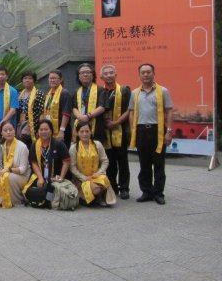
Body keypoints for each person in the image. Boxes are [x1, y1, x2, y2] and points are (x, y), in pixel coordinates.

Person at [129, 63, 173, 205]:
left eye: (148, 72)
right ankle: (146, 192)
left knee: (159, 164)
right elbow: (131, 112)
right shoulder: (135, 93)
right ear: (139, 75)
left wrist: (169, 131)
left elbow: (169, 111)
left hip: (157, 131)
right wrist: (133, 131)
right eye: (143, 72)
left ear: (154, 74)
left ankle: (158, 193)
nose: (146, 74)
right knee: (144, 164)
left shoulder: (163, 91)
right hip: (141, 131)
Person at [100, 64, 131, 199]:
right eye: (106, 73)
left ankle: (124, 188)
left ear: (115, 74)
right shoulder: (100, 92)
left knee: (123, 161)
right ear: (101, 77)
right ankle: (112, 186)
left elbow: (129, 110)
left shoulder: (124, 90)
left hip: (121, 130)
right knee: (109, 161)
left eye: (111, 72)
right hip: (105, 132)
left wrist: (116, 123)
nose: (109, 75)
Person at [69, 121, 116, 207]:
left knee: (104, 181)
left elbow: (105, 161)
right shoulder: (74, 148)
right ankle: (92, 197)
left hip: (96, 176)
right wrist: (84, 177)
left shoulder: (97, 145)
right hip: (81, 179)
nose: (85, 134)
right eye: (82, 131)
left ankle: (97, 197)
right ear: (77, 133)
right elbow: (72, 167)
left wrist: (99, 172)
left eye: (87, 131)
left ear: (91, 132)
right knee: (96, 189)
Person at [23, 120, 71, 195]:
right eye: (41, 130)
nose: (43, 132)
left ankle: (48, 197)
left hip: (55, 177)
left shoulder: (58, 144)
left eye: (46, 129)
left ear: (51, 131)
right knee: (29, 193)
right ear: (38, 132)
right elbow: (34, 162)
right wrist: (40, 178)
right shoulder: (34, 145)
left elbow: (66, 161)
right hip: (40, 176)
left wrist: (61, 177)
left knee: (51, 192)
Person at [0, 121, 30, 208]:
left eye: (10, 130)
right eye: (5, 130)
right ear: (1, 133)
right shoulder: (1, 146)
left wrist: (8, 170)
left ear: (14, 131)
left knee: (8, 176)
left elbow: (23, 169)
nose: (8, 132)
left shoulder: (22, 147)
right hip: (5, 173)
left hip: (22, 176)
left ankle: (17, 200)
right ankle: (1, 200)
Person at [72, 63, 106, 143]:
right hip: (80, 125)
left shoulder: (100, 90)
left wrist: (88, 116)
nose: (85, 74)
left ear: (93, 75)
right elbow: (74, 107)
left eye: (88, 72)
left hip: (96, 126)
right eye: (82, 72)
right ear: (79, 76)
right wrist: (80, 116)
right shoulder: (77, 91)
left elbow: (102, 107)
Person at [42, 70, 72, 147]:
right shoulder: (48, 94)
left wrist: (62, 131)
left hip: (62, 130)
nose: (52, 80)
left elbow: (66, 113)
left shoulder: (64, 93)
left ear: (60, 80)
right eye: (50, 78)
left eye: (54, 78)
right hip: (50, 129)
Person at [17, 71, 46, 148]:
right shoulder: (20, 94)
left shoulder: (38, 94)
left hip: (33, 127)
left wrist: (40, 128)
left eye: (30, 78)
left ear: (34, 81)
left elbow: (41, 113)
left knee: (32, 148)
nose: (27, 80)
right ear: (22, 81)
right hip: (21, 126)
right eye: (25, 78)